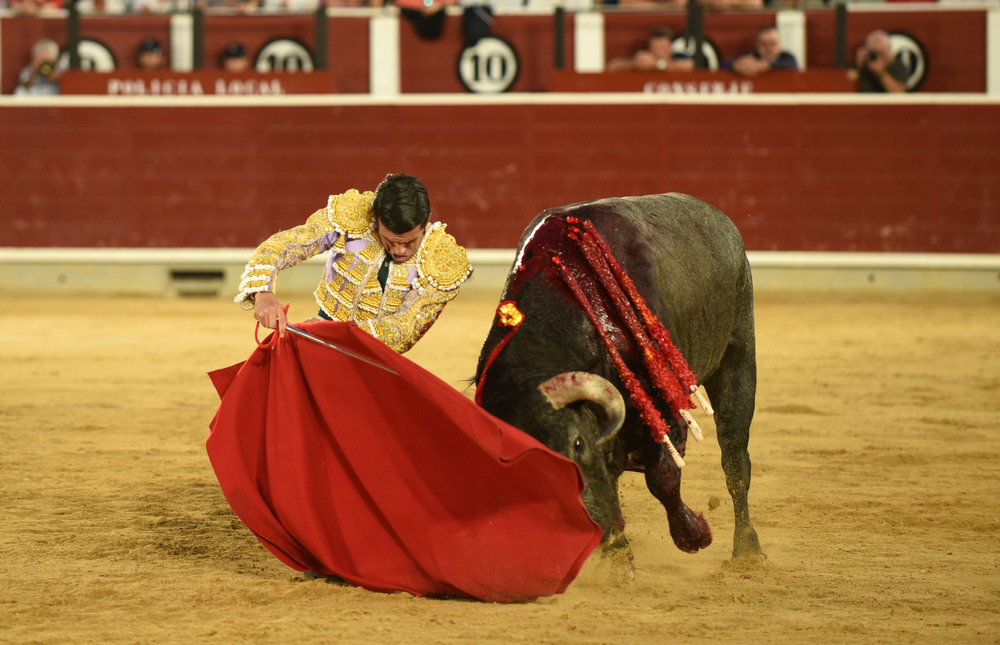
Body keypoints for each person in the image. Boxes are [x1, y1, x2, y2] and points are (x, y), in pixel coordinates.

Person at [237, 173, 472, 354]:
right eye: (389, 240)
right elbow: (283, 245)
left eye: (410, 242)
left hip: (373, 360)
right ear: (376, 220)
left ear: (426, 223)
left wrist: (333, 334)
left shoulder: (441, 261)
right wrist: (263, 294)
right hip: (316, 342)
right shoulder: (353, 218)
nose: (400, 251)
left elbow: (405, 329)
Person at [606, 26, 694, 73]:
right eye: (656, 48)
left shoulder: (678, 59)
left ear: (670, 48)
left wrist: (658, 65)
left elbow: (689, 66)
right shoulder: (642, 65)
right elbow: (613, 66)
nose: (660, 52)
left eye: (663, 48)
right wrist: (635, 64)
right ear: (649, 49)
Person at [721, 25, 798, 78]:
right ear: (757, 45)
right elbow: (723, 64)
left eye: (773, 44)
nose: (769, 49)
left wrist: (766, 65)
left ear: (780, 44)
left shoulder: (787, 57)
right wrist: (736, 65)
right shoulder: (749, 57)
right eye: (764, 44)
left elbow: (791, 64)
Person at [848, 29, 908, 93]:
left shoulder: (898, 65)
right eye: (875, 53)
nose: (878, 57)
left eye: (881, 52)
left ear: (889, 49)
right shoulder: (864, 65)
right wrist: (858, 67)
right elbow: (846, 86)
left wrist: (881, 73)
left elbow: (899, 93)